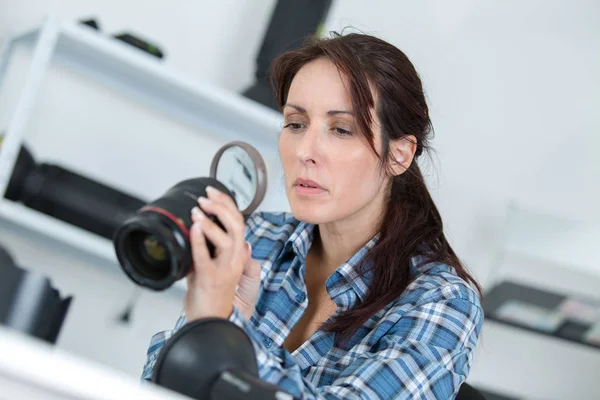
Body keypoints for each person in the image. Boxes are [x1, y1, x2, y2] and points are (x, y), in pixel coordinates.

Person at [141, 31, 484, 399]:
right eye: (296, 123)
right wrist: (215, 322)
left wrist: (224, 329)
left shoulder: (441, 302)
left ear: (399, 154)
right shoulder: (256, 238)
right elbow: (155, 379)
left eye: (341, 129)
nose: (305, 150)